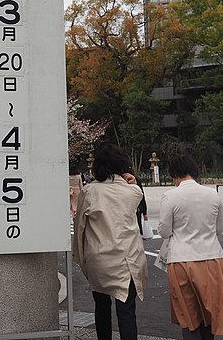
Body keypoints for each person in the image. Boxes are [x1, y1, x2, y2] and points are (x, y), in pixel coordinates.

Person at [158, 154, 223, 340]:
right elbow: (219, 228)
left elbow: (164, 231)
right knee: (209, 313)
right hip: (212, 257)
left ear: (175, 175)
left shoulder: (170, 196)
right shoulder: (212, 194)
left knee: (188, 315)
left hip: (180, 259)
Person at [74, 144, 148, 340]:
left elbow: (80, 227)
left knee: (102, 306)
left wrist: (81, 259)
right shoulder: (133, 192)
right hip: (128, 260)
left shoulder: (89, 192)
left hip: (100, 259)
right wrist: (131, 180)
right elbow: (133, 189)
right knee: (126, 312)